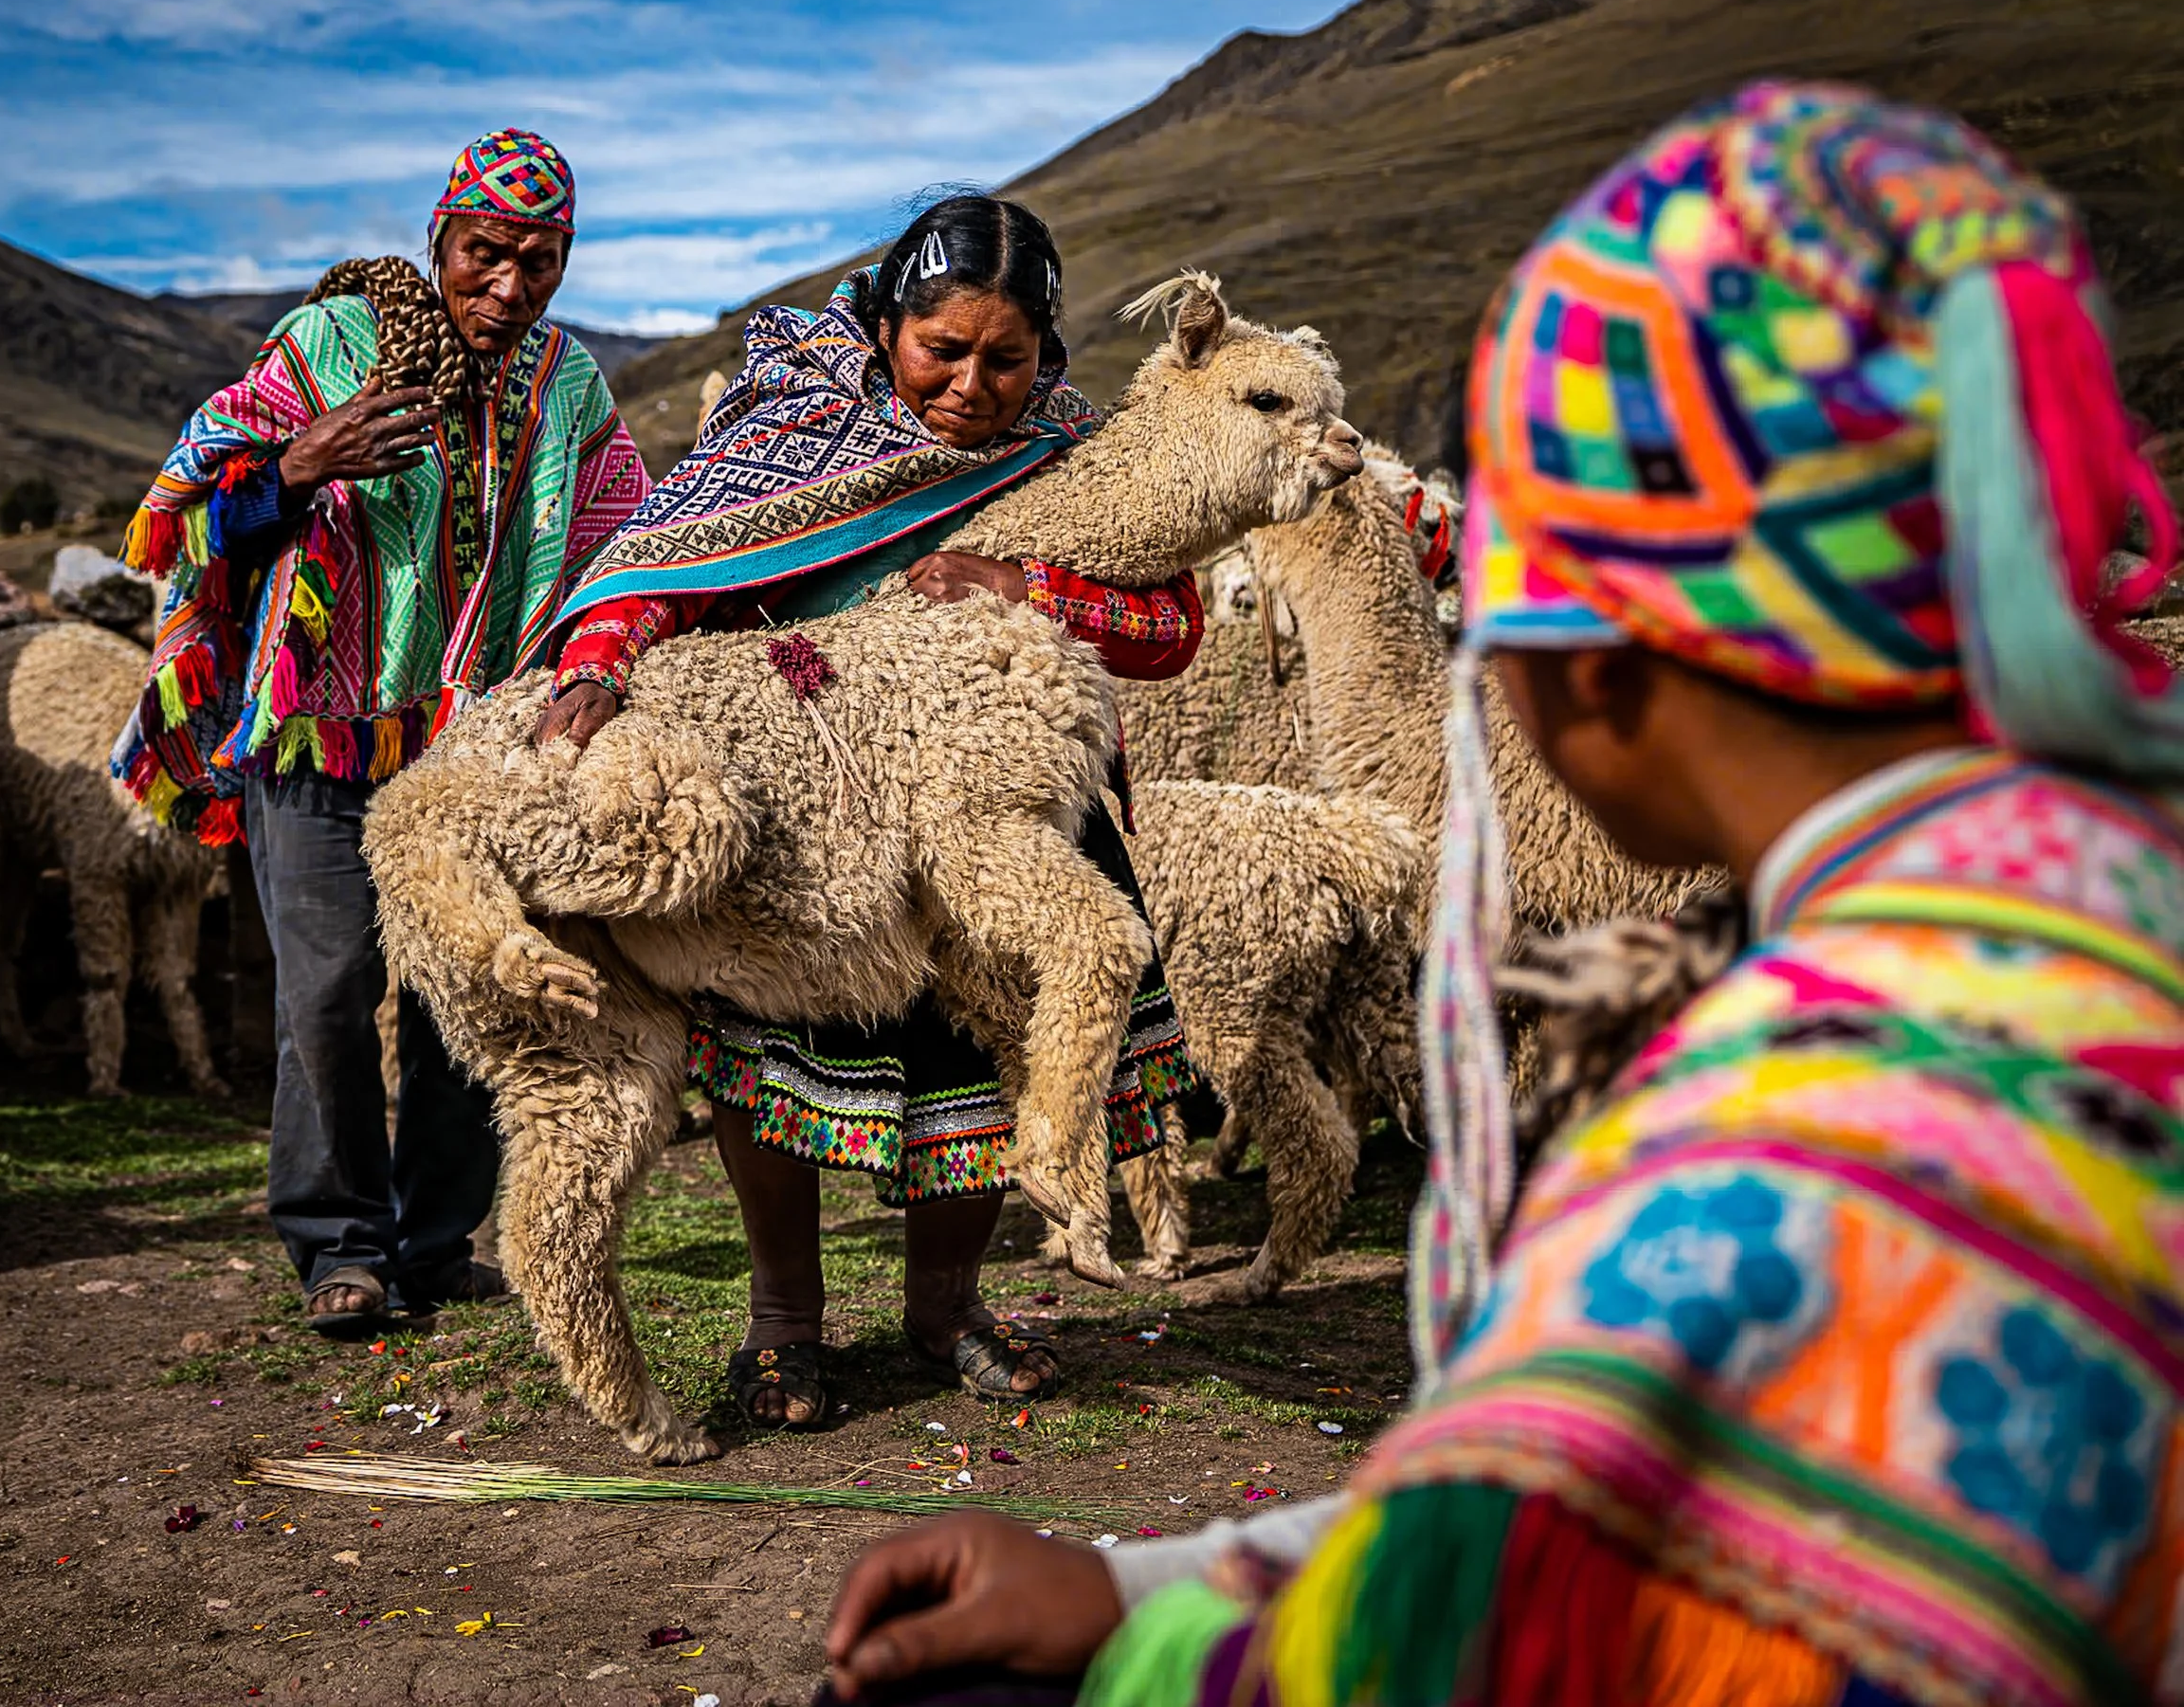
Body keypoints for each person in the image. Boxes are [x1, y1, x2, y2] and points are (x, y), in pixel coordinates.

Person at [817, 83, 2184, 1706]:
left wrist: (1152, 1637)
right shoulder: (2093, 928)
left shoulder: (1783, 1152)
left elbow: (1479, 1624)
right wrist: (1139, 1576)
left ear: (1589, 649)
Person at [537, 192, 1204, 1427]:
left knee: (985, 1056)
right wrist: (595, 668)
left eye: (1006, 359)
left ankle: (944, 1309)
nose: (971, 385)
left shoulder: (1072, 451)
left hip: (997, 812)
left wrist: (1021, 583)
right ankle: (785, 1325)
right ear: (887, 321)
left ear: (1045, 357)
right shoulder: (795, 418)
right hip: (810, 806)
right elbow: (658, 568)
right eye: (942, 350)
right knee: (774, 1056)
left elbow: (1168, 626)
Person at [113, 128, 652, 1336]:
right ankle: (337, 1243)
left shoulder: (569, 385)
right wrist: (302, 461)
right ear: (440, 239)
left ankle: (434, 1238)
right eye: (485, 253)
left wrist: (598, 665)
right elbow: (189, 517)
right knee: (330, 988)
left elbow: (621, 543)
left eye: (540, 260)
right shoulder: (326, 348)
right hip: (316, 732)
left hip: (474, 740)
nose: (508, 287)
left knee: (468, 978)